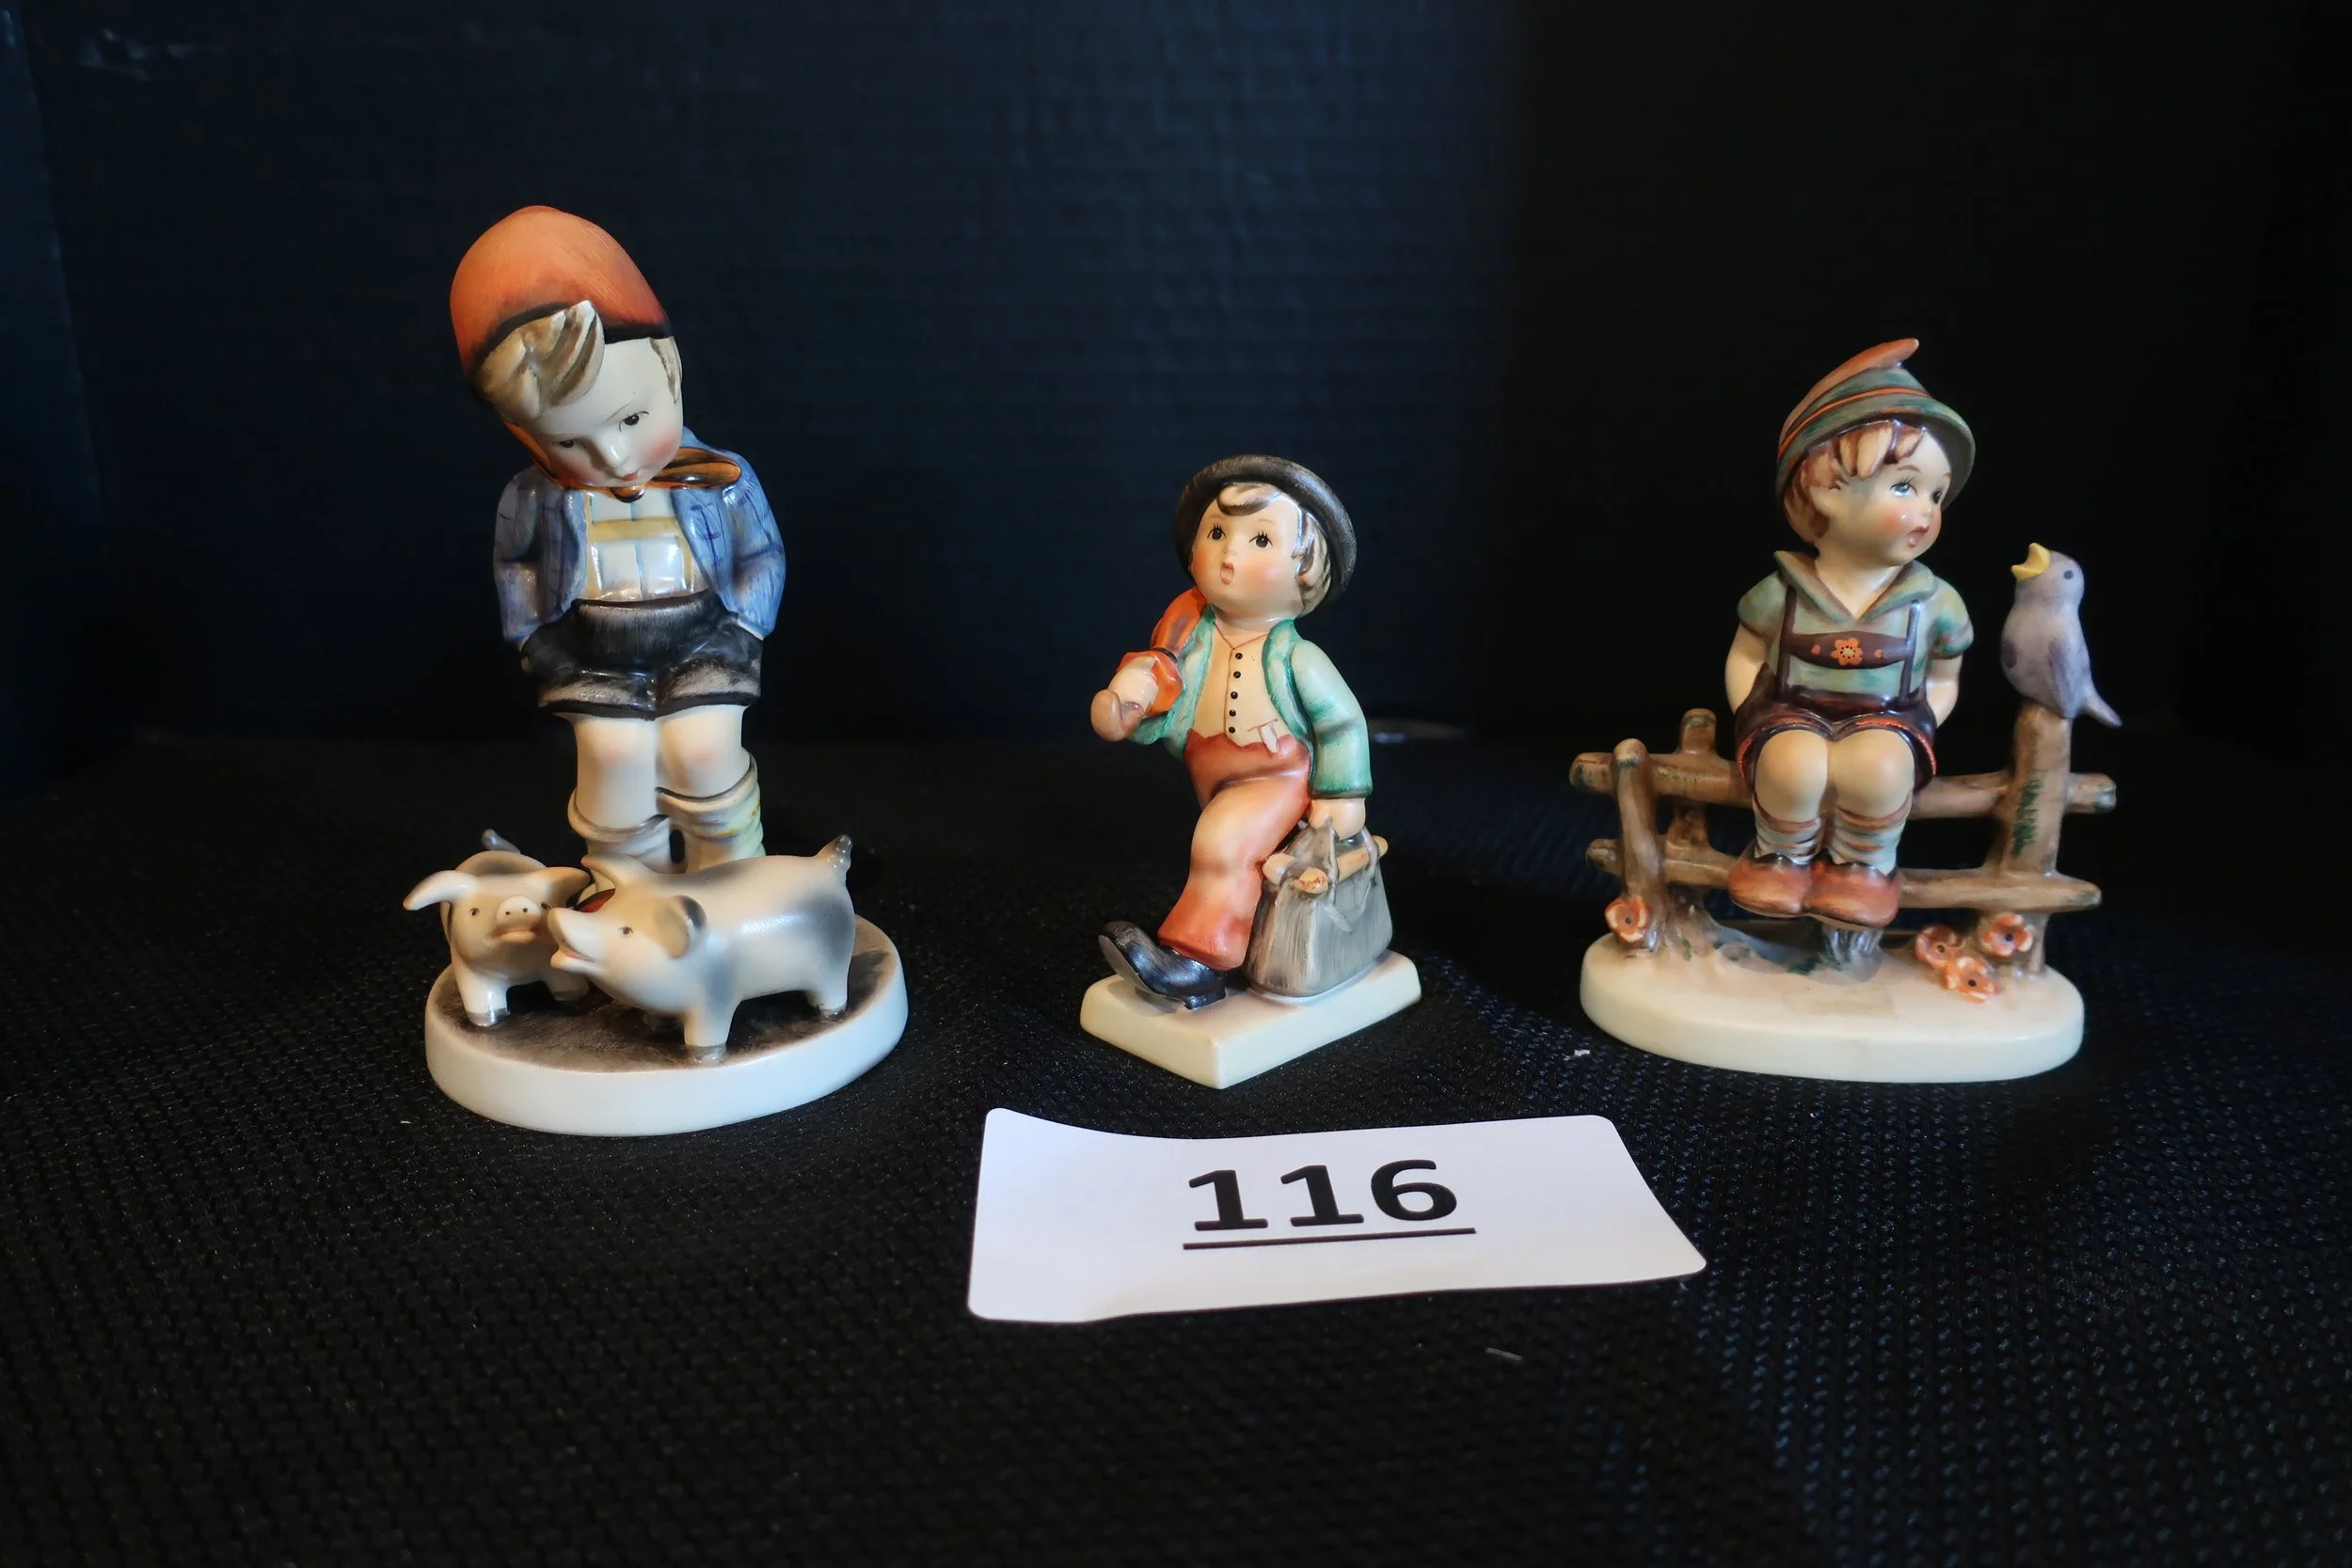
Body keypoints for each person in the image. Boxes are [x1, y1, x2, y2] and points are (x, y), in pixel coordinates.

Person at [449, 207, 783, 871]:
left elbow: (762, 553)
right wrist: (534, 640)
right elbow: (515, 565)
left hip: (705, 638)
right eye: (570, 441)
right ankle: (625, 884)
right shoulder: (534, 498)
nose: (614, 457)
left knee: (704, 749)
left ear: (668, 367)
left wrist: (745, 625)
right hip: (592, 656)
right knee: (613, 758)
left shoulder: (721, 479)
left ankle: (734, 875)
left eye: (631, 418)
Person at [1090, 455, 1372, 1007]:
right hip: (1210, 771)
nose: (1229, 554)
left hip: (1276, 776)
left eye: (1260, 540)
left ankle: (1198, 961)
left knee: (1221, 845)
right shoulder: (1188, 635)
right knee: (1232, 852)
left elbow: (1341, 723)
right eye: (1218, 533)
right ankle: (1237, 931)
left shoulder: (1299, 659)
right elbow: (1162, 679)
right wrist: (1130, 699)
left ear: (1308, 571)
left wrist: (1342, 794)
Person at [1725, 340, 1975, 929]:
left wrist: (1924, 720)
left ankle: (1863, 868)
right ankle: (1779, 856)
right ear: (1827, 490)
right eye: (1906, 487)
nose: (1928, 511)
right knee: (1791, 765)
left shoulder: (1933, 602)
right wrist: (1750, 710)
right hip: (1791, 711)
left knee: (1878, 768)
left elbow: (1945, 676)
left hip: (1889, 719)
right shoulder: (1782, 592)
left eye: (1937, 494)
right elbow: (1746, 655)